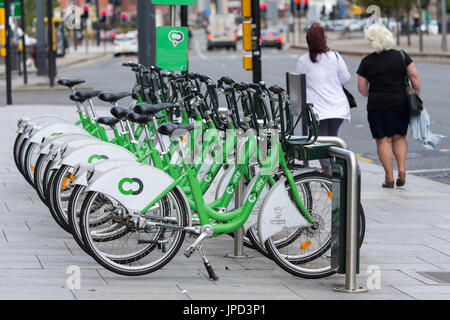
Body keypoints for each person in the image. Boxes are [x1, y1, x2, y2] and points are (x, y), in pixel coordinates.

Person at [357, 24, 421, 188]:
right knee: (399, 137)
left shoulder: (367, 61)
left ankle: (389, 177)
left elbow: (362, 88)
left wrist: (371, 93)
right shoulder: (401, 56)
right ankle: (401, 169)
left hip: (377, 104)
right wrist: (416, 92)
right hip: (399, 102)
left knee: (383, 141)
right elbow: (414, 76)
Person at [295, 23, 352, 175]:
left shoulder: (303, 60)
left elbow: (299, 83)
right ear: (323, 39)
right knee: (333, 138)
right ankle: (336, 169)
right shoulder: (334, 56)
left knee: (320, 139)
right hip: (338, 107)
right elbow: (346, 78)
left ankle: (327, 170)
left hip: (318, 109)